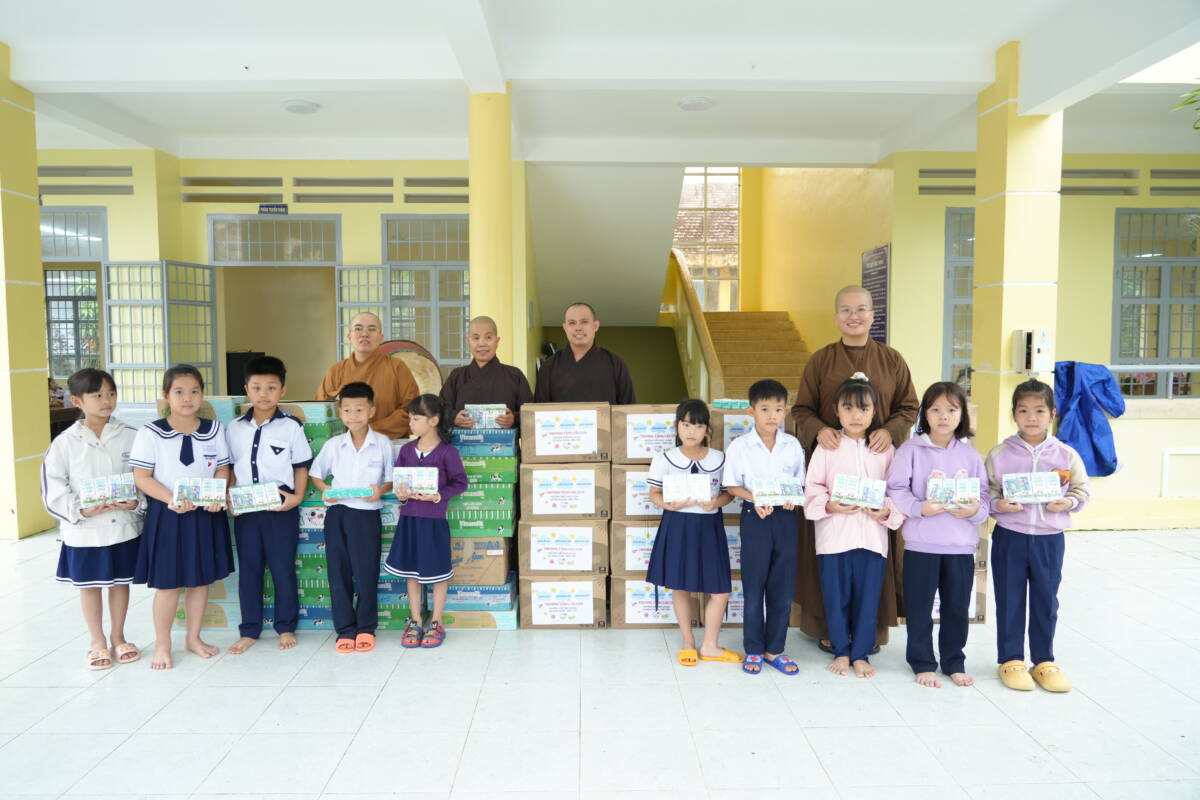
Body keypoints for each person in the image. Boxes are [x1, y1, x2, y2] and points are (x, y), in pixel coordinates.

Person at [791, 285, 919, 651]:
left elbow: (909, 407)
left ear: (873, 314)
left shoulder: (892, 359)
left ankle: (871, 632)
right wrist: (820, 430)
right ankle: (827, 627)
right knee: (830, 556)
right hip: (833, 469)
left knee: (873, 556)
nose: (854, 316)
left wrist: (890, 431)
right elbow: (802, 409)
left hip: (877, 469)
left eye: (861, 309)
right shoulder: (821, 360)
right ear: (836, 316)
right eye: (846, 310)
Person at [986, 378, 1089, 693]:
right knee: (1009, 599)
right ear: (1013, 414)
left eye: (1040, 410)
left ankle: (1044, 661)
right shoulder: (1000, 454)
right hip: (1010, 536)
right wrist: (999, 505)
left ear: (1052, 414)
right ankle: (1011, 659)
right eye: (1023, 410)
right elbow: (987, 493)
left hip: (1049, 538)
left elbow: (1081, 491)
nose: (1031, 417)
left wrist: (1067, 503)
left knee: (1046, 599)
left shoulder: (1066, 455)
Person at [130, 365, 234, 670]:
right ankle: (163, 644)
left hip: (205, 514)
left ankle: (193, 638)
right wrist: (170, 499)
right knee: (168, 585)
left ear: (202, 395)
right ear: (166, 395)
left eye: (194, 391)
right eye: (179, 392)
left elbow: (223, 468)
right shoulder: (150, 433)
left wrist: (217, 493)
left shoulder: (214, 430)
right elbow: (141, 476)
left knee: (200, 581)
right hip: (168, 515)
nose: (187, 398)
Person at [886, 380, 989, 688]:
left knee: (957, 607)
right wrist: (920, 508)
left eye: (952, 410)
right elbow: (896, 488)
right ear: (924, 414)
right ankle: (922, 662)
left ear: (962, 415)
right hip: (921, 545)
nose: (943, 416)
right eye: (935, 409)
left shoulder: (971, 456)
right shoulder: (910, 451)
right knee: (919, 607)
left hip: (960, 546)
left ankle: (954, 661)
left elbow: (984, 497)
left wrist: (975, 512)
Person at [41, 368, 143, 670]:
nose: (107, 400)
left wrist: (137, 501)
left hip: (123, 525)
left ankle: (118, 636)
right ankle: (97, 641)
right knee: (89, 585)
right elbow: (53, 487)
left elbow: (144, 477)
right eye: (97, 395)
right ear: (77, 401)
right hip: (85, 529)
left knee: (120, 583)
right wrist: (80, 510)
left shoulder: (132, 435)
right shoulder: (64, 443)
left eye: (111, 393)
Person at [803, 374, 903, 679]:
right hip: (834, 537)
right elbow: (812, 486)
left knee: (868, 598)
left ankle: (860, 653)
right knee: (835, 597)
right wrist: (829, 505)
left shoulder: (885, 448)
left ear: (874, 411)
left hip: (872, 537)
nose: (856, 415)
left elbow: (897, 490)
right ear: (836, 411)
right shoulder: (827, 446)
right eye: (848, 408)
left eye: (864, 408)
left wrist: (884, 511)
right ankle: (841, 651)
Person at [225, 356, 312, 655]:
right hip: (246, 509)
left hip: (280, 508)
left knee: (282, 568)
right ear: (246, 390)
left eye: (271, 387)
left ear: (282, 390)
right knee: (249, 570)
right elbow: (231, 467)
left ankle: (285, 626)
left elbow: (301, 466)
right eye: (257, 387)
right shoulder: (234, 428)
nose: (264, 394)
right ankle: (249, 630)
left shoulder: (291, 427)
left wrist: (297, 498)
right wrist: (229, 496)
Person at [645, 399, 740, 666]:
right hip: (677, 525)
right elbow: (654, 493)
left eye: (698, 426)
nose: (691, 431)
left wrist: (716, 502)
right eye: (686, 425)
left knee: (720, 590)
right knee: (681, 586)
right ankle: (688, 642)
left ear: (707, 429)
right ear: (677, 426)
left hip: (709, 527)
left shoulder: (720, 458)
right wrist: (670, 505)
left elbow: (728, 494)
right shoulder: (664, 458)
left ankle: (710, 645)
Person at [722, 379, 806, 676]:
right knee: (754, 585)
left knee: (782, 587)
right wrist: (755, 498)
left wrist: (793, 498)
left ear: (786, 411)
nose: (772, 416)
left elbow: (800, 483)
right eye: (765, 409)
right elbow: (731, 486)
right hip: (755, 516)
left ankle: (775, 650)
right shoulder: (740, 446)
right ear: (751, 411)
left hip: (786, 518)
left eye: (778, 409)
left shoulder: (792, 445)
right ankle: (754, 649)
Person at [308, 381, 393, 654]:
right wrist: (326, 490)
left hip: (366, 515)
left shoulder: (382, 444)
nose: (353, 415)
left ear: (371, 411)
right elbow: (316, 474)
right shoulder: (334, 444)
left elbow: (391, 479)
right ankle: (344, 629)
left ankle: (366, 628)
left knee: (366, 572)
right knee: (338, 572)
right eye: (347, 410)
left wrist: (380, 490)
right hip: (338, 514)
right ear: (340, 413)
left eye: (359, 409)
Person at [385, 394, 468, 649]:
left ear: (433, 420)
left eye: (415, 418)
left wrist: (438, 495)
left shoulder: (447, 452)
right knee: (411, 572)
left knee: (437, 573)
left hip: (434, 522)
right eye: (410, 418)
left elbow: (460, 483)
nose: (410, 423)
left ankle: (437, 622)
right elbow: (398, 484)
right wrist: (400, 494)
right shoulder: (406, 451)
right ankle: (416, 621)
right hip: (409, 520)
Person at [315, 311, 420, 439]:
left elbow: (411, 410)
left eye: (372, 329)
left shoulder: (397, 367)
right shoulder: (336, 370)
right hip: (345, 444)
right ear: (349, 336)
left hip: (388, 443)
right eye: (358, 328)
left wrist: (369, 430)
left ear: (381, 337)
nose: (364, 334)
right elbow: (320, 411)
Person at [441, 316, 534, 429]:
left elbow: (530, 413)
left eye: (488, 337)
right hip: (462, 441)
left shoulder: (515, 375)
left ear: (497, 341)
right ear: (468, 341)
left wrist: (513, 419)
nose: (482, 343)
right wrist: (454, 418)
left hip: (504, 441)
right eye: (476, 338)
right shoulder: (457, 376)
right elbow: (440, 409)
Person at [533, 302, 636, 404]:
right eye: (572, 323)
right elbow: (539, 410)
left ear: (595, 326)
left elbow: (628, 408)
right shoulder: (549, 366)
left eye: (584, 322)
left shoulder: (615, 363)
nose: (578, 328)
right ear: (565, 328)